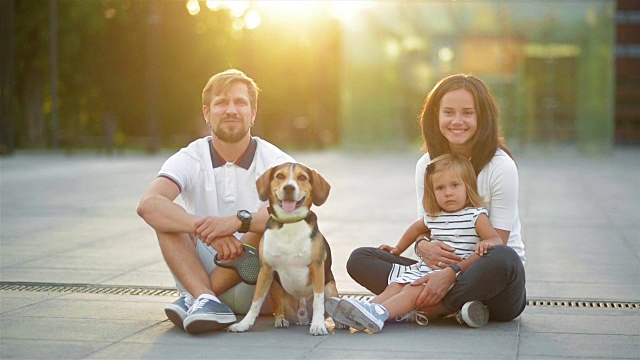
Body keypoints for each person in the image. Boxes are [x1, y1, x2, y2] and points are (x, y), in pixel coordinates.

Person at [345, 74, 526, 329]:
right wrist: (421, 247)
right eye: (449, 112)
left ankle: (423, 309)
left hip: (490, 281)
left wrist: (452, 273)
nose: (457, 121)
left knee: (504, 258)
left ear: (482, 118)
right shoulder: (427, 166)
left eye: (467, 113)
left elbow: (496, 243)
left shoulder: (500, 166)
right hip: (434, 271)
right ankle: (455, 308)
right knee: (360, 258)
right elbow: (428, 226)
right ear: (436, 116)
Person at [137, 69, 294, 334]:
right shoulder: (190, 157)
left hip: (257, 287)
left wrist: (237, 222)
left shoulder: (275, 160)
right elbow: (148, 204)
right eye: (221, 102)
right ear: (207, 113)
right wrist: (206, 228)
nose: (231, 110)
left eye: (240, 102)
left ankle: (200, 298)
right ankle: (206, 300)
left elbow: (297, 211)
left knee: (264, 224)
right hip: (203, 268)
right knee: (167, 219)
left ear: (253, 113)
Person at [328, 153, 504, 332]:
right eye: (440, 188)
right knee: (395, 286)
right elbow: (415, 230)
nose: (448, 192)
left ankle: (380, 313)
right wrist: (397, 249)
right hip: (425, 270)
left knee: (411, 290)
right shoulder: (434, 216)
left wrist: (487, 242)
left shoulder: (475, 215)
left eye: (455, 185)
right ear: (432, 192)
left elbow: (496, 240)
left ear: (468, 187)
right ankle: (358, 313)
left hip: (454, 278)